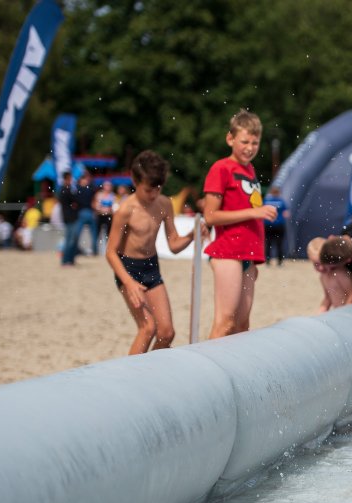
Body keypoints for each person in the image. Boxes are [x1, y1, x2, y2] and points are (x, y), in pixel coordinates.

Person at [106, 150, 204, 355]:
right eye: (149, 189)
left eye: (158, 189)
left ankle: (148, 372)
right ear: (135, 180)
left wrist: (192, 236)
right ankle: (130, 377)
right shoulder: (126, 210)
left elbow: (174, 244)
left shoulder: (164, 204)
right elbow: (111, 253)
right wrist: (129, 282)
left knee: (167, 333)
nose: (153, 194)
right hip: (128, 269)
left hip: (151, 266)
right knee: (148, 327)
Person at [202, 109, 277, 339]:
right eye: (244, 141)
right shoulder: (221, 168)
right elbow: (211, 216)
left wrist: (253, 260)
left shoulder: (250, 170)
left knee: (242, 326)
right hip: (227, 253)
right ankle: (208, 372)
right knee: (225, 323)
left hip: (247, 254)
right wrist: (254, 212)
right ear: (230, 139)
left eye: (255, 142)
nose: (250, 147)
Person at [306, 236, 352, 312]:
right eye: (316, 264)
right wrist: (320, 313)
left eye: (323, 263)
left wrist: (344, 314)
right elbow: (328, 298)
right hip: (337, 312)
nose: (321, 268)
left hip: (348, 313)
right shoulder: (323, 277)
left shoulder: (339, 273)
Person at [263, 186, 289, 266]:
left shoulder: (266, 201)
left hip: (268, 224)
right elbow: (286, 214)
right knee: (279, 244)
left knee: (268, 243)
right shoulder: (281, 201)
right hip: (279, 225)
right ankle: (280, 261)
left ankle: (267, 261)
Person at [58, 172, 80, 265]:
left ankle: (69, 260)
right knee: (70, 240)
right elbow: (75, 201)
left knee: (71, 239)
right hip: (70, 218)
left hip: (69, 217)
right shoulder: (66, 190)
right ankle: (67, 260)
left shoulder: (64, 190)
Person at [93, 180, 117, 253]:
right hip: (100, 215)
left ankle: (109, 250)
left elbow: (114, 207)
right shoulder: (99, 194)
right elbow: (95, 205)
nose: (107, 187)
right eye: (106, 186)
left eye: (109, 186)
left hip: (108, 216)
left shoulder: (112, 195)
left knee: (109, 234)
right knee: (97, 233)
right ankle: (95, 250)